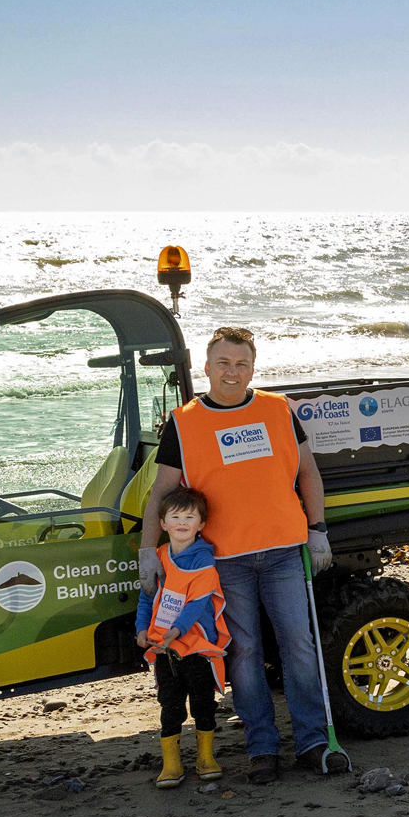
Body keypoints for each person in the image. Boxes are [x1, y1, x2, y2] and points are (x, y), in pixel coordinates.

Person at [139, 326, 334, 784]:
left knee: (299, 646)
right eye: (224, 364)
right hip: (224, 560)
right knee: (243, 650)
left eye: (242, 364)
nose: (233, 372)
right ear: (206, 368)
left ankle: (312, 741)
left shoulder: (278, 410)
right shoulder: (183, 423)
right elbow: (161, 493)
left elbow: (309, 473)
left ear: (253, 368)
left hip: (286, 551)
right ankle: (262, 748)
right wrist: (149, 550)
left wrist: (317, 529)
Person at [135, 486, 229, 789]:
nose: (182, 522)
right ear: (163, 523)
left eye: (190, 517)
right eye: (175, 516)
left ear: (201, 524)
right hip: (164, 649)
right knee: (170, 704)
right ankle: (171, 764)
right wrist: (141, 630)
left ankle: (205, 758)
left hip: (195, 646)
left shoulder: (204, 562)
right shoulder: (159, 558)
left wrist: (174, 633)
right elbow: (147, 598)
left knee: (203, 703)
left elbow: (194, 607)